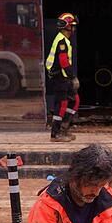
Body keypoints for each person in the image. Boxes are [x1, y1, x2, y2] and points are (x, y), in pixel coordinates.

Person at [46, 12, 80, 142]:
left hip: (64, 77)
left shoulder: (64, 40)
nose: (73, 28)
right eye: (72, 25)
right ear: (66, 26)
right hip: (59, 78)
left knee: (74, 100)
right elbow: (63, 62)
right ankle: (56, 133)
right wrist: (73, 78)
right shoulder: (61, 41)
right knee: (62, 103)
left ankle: (64, 128)